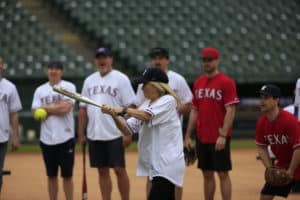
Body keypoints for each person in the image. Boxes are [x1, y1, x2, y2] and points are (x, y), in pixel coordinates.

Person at [101, 67, 185, 200]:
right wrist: (113, 115)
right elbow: (127, 130)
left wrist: (123, 110)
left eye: (144, 84)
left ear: (155, 85)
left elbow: (146, 116)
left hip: (168, 164)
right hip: (157, 164)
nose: (142, 87)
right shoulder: (146, 104)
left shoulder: (168, 100)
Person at [135, 47, 193, 200]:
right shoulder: (145, 82)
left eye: (160, 57)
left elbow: (189, 103)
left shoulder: (177, 80)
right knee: (152, 175)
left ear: (167, 60)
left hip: (170, 136)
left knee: (171, 178)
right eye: (154, 57)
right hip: (150, 135)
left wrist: (173, 109)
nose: (157, 60)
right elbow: (140, 106)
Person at [78, 47, 135, 200]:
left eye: (105, 57)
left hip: (116, 133)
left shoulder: (121, 78)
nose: (102, 61)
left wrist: (128, 132)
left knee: (119, 170)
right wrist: (81, 133)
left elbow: (131, 107)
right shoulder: (89, 80)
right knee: (102, 171)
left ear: (111, 60)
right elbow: (83, 109)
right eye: (99, 58)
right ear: (95, 60)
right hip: (95, 134)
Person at [185, 47, 239, 200]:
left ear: (217, 60)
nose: (207, 63)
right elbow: (195, 110)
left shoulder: (226, 82)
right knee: (207, 173)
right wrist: (188, 135)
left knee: (223, 173)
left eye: (210, 59)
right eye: (204, 60)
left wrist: (223, 135)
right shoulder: (198, 82)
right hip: (203, 136)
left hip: (219, 137)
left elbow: (231, 110)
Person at [31, 61, 76, 200]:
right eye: (51, 68)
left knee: (67, 176)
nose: (53, 71)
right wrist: (57, 106)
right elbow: (34, 112)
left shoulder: (68, 86)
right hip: (47, 139)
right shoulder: (40, 90)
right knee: (51, 175)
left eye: (57, 69)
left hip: (66, 137)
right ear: (47, 71)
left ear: (61, 72)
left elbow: (65, 109)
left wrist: (45, 107)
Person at [255, 84, 300, 199]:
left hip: (297, 161)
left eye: (266, 98)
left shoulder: (289, 121)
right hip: (283, 164)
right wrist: (270, 168)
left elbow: (298, 148)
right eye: (261, 97)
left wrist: (291, 171)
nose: (262, 101)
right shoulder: (261, 122)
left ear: (276, 100)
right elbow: (261, 147)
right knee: (265, 196)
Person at [0, 56, 22, 194]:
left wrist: (15, 137)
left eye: (0, 63)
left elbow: (14, 114)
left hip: (1, 138)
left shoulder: (10, 87)